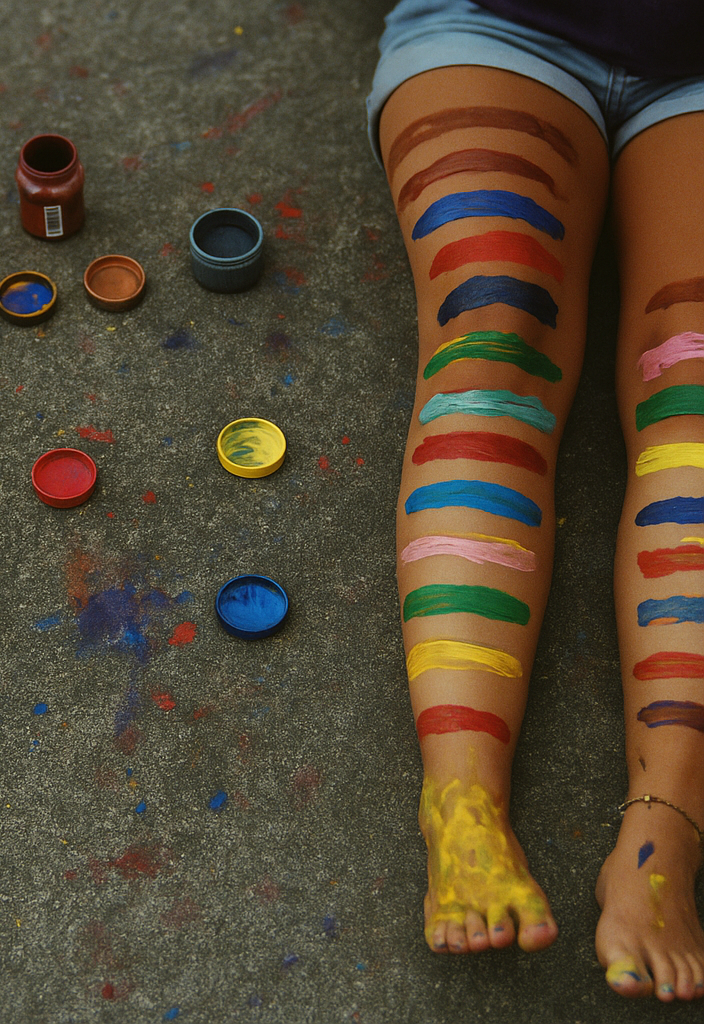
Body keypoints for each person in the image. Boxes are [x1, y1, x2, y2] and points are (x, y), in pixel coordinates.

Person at [365, 0, 704, 1001]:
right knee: (492, 340)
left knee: (692, 380)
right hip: (498, 26)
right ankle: (461, 803)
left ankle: (663, 830)